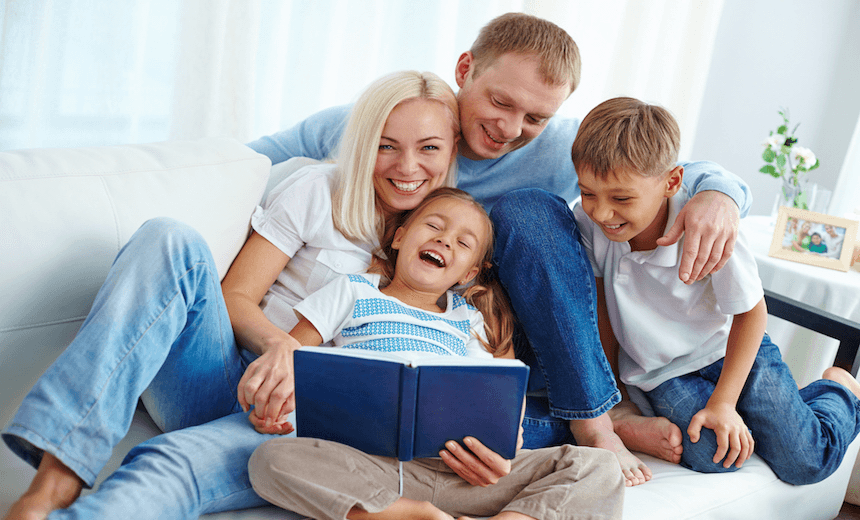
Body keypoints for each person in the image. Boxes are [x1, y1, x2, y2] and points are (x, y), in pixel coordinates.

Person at [247, 12, 752, 487]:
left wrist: (719, 194)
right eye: (501, 103)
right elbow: (249, 161)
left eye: (535, 116)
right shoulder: (390, 123)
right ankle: (583, 423)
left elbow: (657, 167)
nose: (510, 129)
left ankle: (597, 420)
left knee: (528, 211)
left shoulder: (557, 147)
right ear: (465, 70)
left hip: (513, 321)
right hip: (409, 325)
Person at [2, 70, 461, 520]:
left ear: (451, 149)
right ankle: (51, 485)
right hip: (225, 377)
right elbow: (236, 294)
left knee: (170, 465)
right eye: (386, 145)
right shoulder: (320, 190)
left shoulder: (456, 240)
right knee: (169, 237)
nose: (406, 167)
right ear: (364, 144)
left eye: (428, 148)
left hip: (300, 427)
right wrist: (277, 344)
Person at [248, 188, 624, 520]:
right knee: (270, 461)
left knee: (599, 467)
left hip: (461, 473)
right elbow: (292, 358)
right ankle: (412, 516)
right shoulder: (353, 291)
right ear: (399, 237)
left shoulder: (469, 321)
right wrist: (276, 407)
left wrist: (503, 450)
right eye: (434, 227)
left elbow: (500, 407)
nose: (445, 241)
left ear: (469, 273)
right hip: (370, 466)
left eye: (463, 243)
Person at [570, 96, 860, 483]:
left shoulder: (706, 222)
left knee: (806, 461)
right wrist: (617, 388)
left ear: (671, 182)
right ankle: (784, 413)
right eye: (588, 193)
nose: (601, 213)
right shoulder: (588, 224)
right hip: (664, 373)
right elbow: (603, 311)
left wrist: (724, 402)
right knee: (714, 452)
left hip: (730, 351)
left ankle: (838, 389)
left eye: (621, 198)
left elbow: (751, 313)